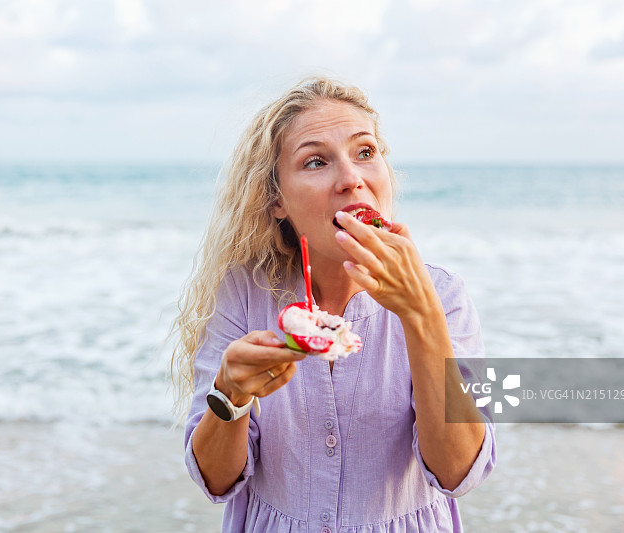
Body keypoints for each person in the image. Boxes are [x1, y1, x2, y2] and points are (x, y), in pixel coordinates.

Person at [170, 77, 495, 532]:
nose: (352, 180)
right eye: (316, 161)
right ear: (276, 200)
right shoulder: (243, 293)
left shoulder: (443, 294)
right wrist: (231, 394)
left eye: (365, 153)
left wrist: (421, 316)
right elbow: (214, 480)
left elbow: (460, 472)